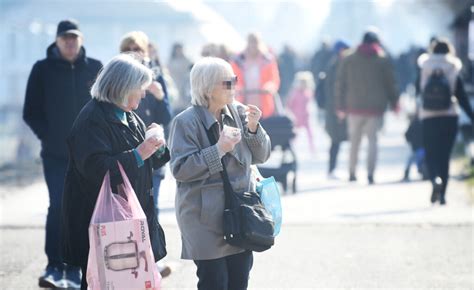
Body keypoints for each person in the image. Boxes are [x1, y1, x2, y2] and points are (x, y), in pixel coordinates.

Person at [60, 54, 170, 290]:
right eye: (139, 89)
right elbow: (96, 170)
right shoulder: (91, 119)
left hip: (128, 224)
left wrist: (157, 148)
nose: (143, 94)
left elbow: (145, 163)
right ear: (122, 87)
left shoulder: (129, 115)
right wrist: (138, 153)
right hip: (102, 225)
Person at [168, 57, 271, 290]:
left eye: (234, 80)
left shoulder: (238, 112)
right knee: (214, 282)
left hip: (241, 212)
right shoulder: (185, 122)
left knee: (239, 282)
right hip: (204, 218)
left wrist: (254, 129)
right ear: (207, 87)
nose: (234, 86)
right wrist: (218, 150)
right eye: (227, 82)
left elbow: (261, 155)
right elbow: (181, 169)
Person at [23, 19, 102, 289]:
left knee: (87, 209)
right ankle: (55, 265)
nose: (69, 42)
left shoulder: (95, 67)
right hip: (55, 155)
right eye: (64, 38)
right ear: (56, 41)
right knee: (58, 206)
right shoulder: (42, 69)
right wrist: (49, 135)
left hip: (88, 156)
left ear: (80, 40)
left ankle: (81, 265)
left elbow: (105, 106)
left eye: (74, 38)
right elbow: (30, 112)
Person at [119, 31, 173, 278]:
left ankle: (152, 257)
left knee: (151, 206)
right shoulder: (119, 77)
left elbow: (166, 117)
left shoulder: (156, 77)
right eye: (129, 47)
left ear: (147, 51)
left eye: (138, 48)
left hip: (152, 153)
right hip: (128, 153)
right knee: (127, 209)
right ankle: (131, 258)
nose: (134, 51)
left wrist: (159, 95)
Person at [335, 29, 399, 184]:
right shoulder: (382, 59)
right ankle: (370, 173)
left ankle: (352, 172)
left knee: (354, 142)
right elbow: (391, 84)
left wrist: (340, 106)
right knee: (372, 142)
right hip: (375, 108)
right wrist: (394, 102)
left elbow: (340, 83)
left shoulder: (349, 58)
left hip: (353, 107)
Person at [417, 38, 474, 204]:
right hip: (449, 116)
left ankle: (435, 179)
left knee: (431, 153)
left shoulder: (424, 66)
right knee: (444, 155)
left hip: (428, 117)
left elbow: (418, 91)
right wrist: (471, 116)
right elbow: (461, 96)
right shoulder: (453, 66)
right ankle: (443, 195)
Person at [231, 33, 280, 118]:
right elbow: (233, 78)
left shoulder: (268, 59)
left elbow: (274, 79)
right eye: (251, 42)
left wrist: (268, 87)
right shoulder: (238, 60)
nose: (253, 45)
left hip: (264, 103)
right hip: (244, 101)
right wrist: (238, 88)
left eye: (255, 42)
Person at [323, 40, 350, 177]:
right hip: (336, 110)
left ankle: (344, 168)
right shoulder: (336, 66)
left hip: (339, 108)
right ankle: (332, 169)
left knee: (340, 140)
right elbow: (333, 90)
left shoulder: (336, 64)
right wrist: (339, 108)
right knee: (336, 140)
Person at [286, 71, 316, 154]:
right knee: (295, 134)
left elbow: (311, 103)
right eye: (302, 82)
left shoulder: (309, 92)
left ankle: (312, 149)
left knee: (310, 133)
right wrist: (291, 115)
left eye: (305, 82)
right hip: (296, 116)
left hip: (306, 115)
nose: (304, 84)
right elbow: (289, 105)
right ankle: (291, 149)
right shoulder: (294, 92)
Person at [168, 42, 193, 115]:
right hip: (174, 85)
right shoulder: (171, 61)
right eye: (177, 49)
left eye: (180, 49)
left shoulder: (187, 61)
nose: (179, 51)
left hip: (185, 85)